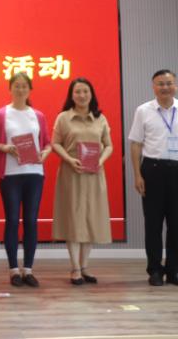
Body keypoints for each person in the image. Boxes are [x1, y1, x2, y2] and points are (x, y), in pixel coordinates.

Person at [129, 69, 178, 287]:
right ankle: (154, 270)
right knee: (153, 224)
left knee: (176, 224)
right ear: (153, 87)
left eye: (169, 83)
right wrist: (137, 175)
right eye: (160, 83)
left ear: (175, 86)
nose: (165, 87)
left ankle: (175, 271)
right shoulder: (143, 111)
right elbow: (135, 144)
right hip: (152, 170)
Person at [0, 72, 51, 287]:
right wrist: (3, 147)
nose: (20, 90)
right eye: (16, 86)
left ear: (30, 90)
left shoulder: (37, 115)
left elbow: (48, 143)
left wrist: (45, 154)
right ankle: (13, 270)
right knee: (12, 220)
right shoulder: (1, 114)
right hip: (10, 174)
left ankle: (28, 269)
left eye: (24, 86)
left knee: (31, 220)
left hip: (34, 173)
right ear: (10, 89)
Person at [51, 77, 113, 285]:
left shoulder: (100, 119)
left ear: (91, 94)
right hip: (71, 174)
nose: (82, 95)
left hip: (95, 175)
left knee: (91, 219)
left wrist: (100, 161)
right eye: (77, 91)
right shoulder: (63, 118)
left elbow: (109, 145)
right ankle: (75, 268)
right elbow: (55, 143)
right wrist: (69, 160)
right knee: (74, 219)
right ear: (71, 95)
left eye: (85, 91)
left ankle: (85, 266)